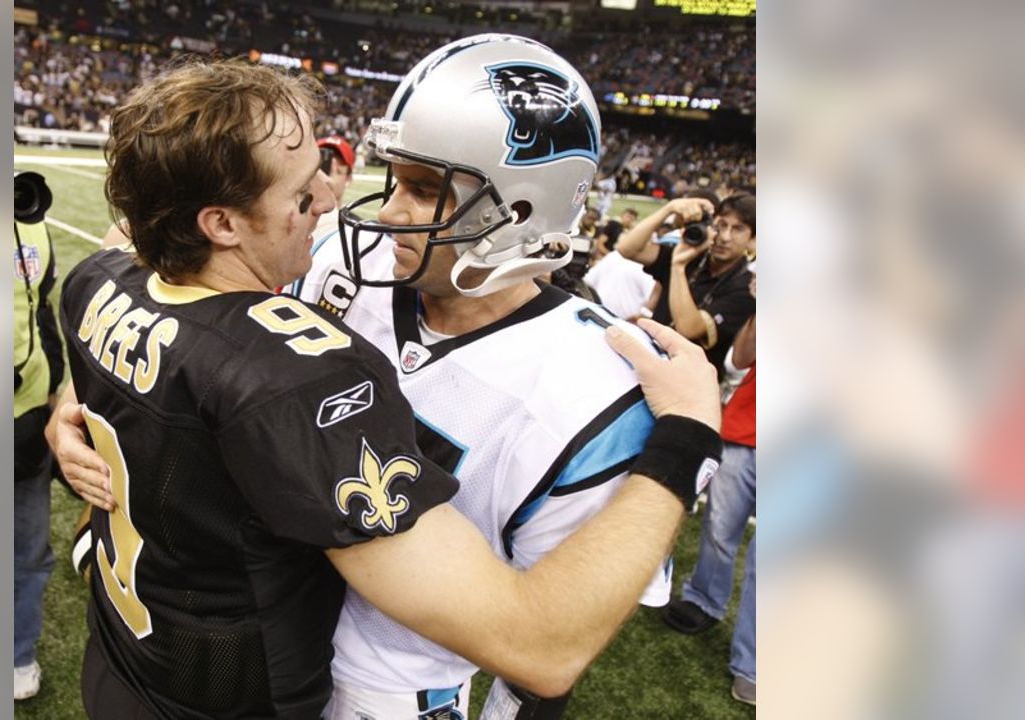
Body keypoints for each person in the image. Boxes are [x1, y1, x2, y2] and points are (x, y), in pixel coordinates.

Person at [50, 57, 723, 720]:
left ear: (522, 208)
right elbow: (159, 240)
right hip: (257, 661)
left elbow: (546, 655)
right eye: (394, 178)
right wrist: (75, 401)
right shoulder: (337, 251)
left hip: (385, 693)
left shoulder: (598, 384)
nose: (384, 210)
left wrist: (683, 441)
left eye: (426, 188)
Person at [662, 271, 757, 707]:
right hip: (744, 431)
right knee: (719, 531)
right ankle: (703, 600)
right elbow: (738, 362)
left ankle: (753, 665)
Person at [12, 176, 66, 700]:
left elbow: (38, 307)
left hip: (24, 423)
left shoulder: (28, 221)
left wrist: (53, 394)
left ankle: (17, 652)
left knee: (27, 551)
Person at [614, 192, 756, 375]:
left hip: (689, 386)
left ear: (752, 239)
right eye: (721, 225)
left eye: (738, 229)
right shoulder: (692, 254)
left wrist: (678, 267)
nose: (725, 237)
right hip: (648, 364)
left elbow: (688, 328)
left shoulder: (745, 287)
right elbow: (627, 249)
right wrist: (669, 208)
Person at [317, 135, 355, 207]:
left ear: (348, 179)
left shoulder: (350, 218)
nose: (325, 177)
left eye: (338, 171)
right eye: (323, 167)